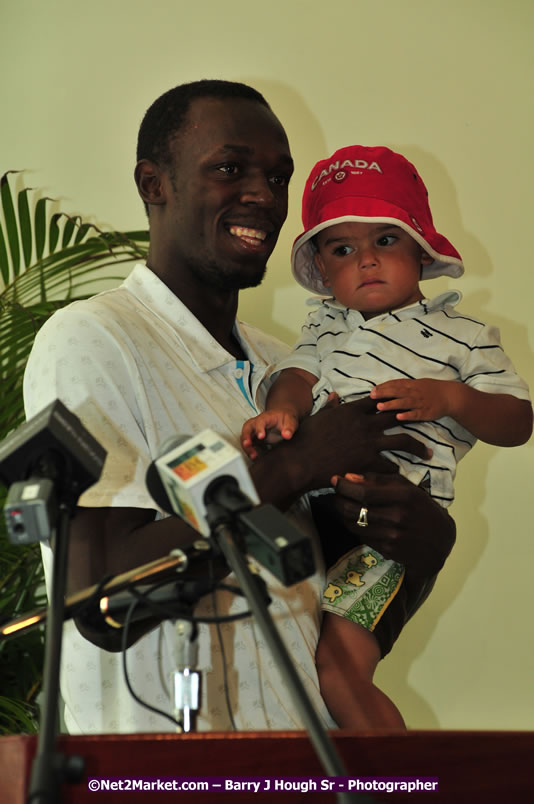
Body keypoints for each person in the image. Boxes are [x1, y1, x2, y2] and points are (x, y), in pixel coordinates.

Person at [23, 82, 456, 735]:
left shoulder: (290, 366)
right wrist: (303, 460)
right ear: (154, 183)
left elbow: (317, 602)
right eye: (230, 169)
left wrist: (415, 536)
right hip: (165, 773)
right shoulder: (93, 338)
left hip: (303, 763)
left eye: (278, 178)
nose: (264, 195)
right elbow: (101, 595)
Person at [241, 144, 533, 728]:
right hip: (310, 513)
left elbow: (518, 421)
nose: (366, 260)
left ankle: (403, 785)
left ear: (422, 249)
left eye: (386, 240)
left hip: (392, 532)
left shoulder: (463, 335)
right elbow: (296, 375)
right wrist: (283, 412)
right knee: (288, 650)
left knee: (340, 668)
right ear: (322, 270)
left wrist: (452, 398)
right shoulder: (324, 324)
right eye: (343, 249)